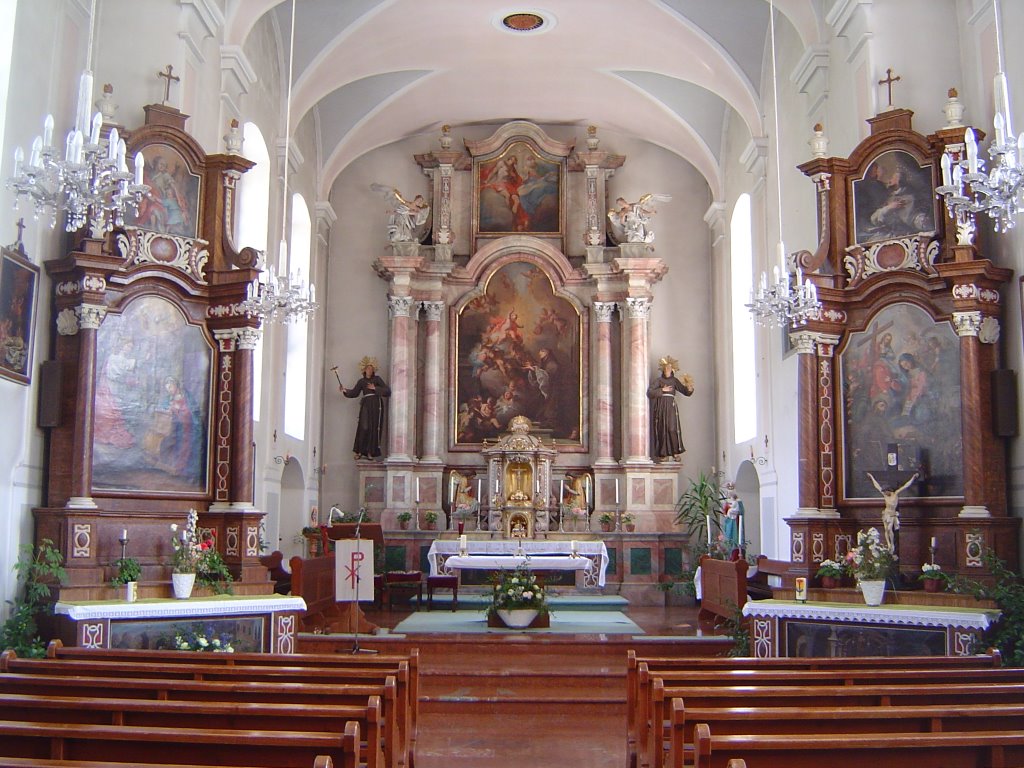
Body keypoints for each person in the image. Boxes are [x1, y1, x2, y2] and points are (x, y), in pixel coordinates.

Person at [341, 356, 391, 459]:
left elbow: (387, 391)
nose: (370, 370)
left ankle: (370, 452)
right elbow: (354, 392)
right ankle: (359, 450)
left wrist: (375, 388)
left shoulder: (377, 379)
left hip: (376, 405)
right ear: (364, 370)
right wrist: (345, 391)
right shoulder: (361, 381)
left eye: (371, 369)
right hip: (366, 405)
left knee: (373, 428)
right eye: (368, 368)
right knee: (364, 427)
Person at [648, 355, 694, 461]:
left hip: (671, 407)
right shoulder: (658, 381)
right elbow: (650, 393)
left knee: (672, 428)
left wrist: (689, 387)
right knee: (661, 429)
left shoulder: (674, 381)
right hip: (660, 407)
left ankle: (675, 452)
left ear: (672, 369)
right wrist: (662, 390)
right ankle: (663, 454)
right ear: (663, 370)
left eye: (669, 368)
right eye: (665, 368)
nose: (667, 370)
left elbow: (685, 391)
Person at [866, 471, 919, 551]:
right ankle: (888, 543)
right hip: (886, 513)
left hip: (892, 513)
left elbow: (906, 486)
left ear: (888, 490)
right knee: (886, 529)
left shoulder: (895, 494)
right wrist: (871, 477)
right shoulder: (884, 495)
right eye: (883, 492)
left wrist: (913, 478)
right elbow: (877, 486)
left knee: (890, 528)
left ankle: (892, 544)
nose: (884, 493)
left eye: (885, 491)